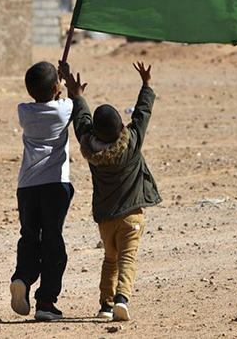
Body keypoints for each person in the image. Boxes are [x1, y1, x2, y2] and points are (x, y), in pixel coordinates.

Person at [61, 60, 161, 322]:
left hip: (105, 219)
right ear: (121, 128)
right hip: (131, 216)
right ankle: (122, 299)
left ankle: (106, 305)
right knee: (128, 259)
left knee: (110, 259)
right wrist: (146, 84)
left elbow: (81, 120)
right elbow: (142, 114)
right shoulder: (132, 142)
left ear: (95, 131)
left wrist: (76, 94)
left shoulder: (89, 146)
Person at [9, 61, 74, 321]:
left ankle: (23, 277)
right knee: (52, 241)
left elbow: (49, 98)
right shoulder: (64, 109)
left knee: (29, 236)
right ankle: (46, 301)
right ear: (56, 88)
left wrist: (57, 85)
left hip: (27, 186)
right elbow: (75, 101)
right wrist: (65, 82)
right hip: (55, 185)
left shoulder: (24, 111)